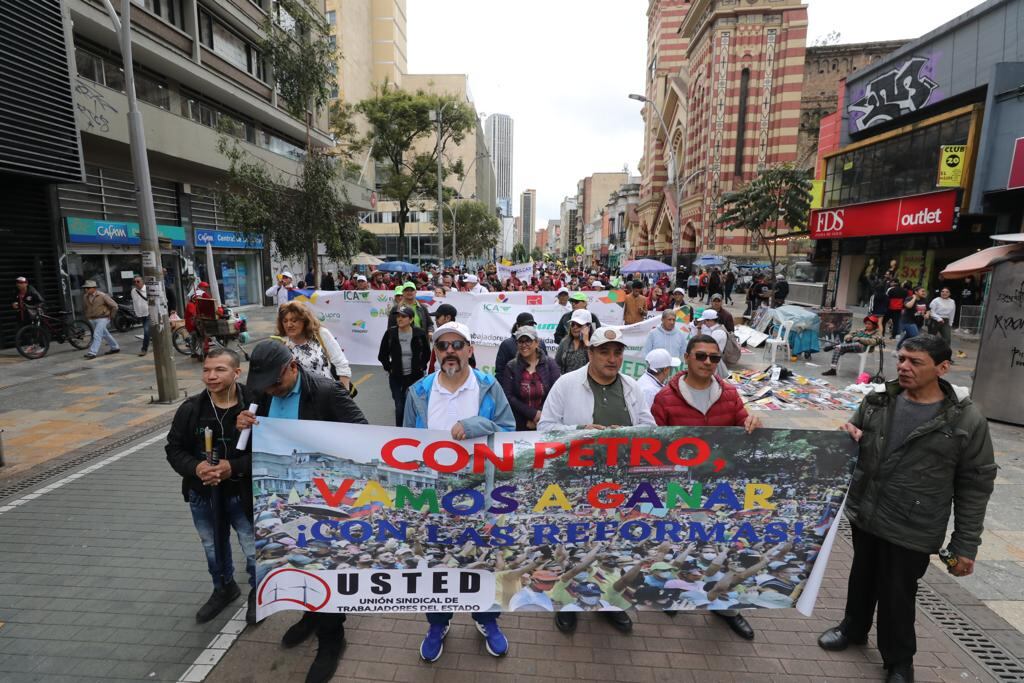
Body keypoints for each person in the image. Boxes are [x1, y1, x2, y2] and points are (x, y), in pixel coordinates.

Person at [817, 335, 995, 683]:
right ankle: (853, 628)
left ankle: (899, 660)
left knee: (897, 592)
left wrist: (965, 545)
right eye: (902, 359)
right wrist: (848, 433)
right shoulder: (879, 400)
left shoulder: (966, 419)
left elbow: (975, 485)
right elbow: (854, 431)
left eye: (916, 362)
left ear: (942, 368)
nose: (904, 367)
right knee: (862, 575)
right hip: (867, 509)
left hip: (914, 522)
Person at [236, 340, 367, 683]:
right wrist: (244, 424)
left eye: (276, 385)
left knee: (322, 564)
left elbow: (365, 436)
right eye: (266, 387)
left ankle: (332, 637)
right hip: (279, 500)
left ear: (292, 366)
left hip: (322, 501)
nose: (272, 392)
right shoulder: (264, 394)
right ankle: (311, 616)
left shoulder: (325, 393)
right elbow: (257, 441)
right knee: (294, 562)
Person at [403, 321, 514, 662]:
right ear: (435, 353)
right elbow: (406, 443)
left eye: (457, 344)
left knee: (482, 560)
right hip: (435, 497)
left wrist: (474, 426)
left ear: (469, 350)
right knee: (436, 563)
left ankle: (486, 619)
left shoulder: (487, 385)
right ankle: (438, 622)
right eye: (442, 345)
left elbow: (509, 430)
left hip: (481, 492)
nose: (449, 351)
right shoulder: (418, 392)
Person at [538, 325, 655, 635]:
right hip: (575, 484)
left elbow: (649, 429)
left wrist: (629, 435)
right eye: (604, 351)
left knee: (613, 545)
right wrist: (579, 431)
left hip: (619, 485)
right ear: (590, 353)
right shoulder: (566, 384)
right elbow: (545, 428)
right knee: (575, 543)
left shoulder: (632, 387)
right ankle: (569, 605)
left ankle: (608, 603)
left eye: (617, 352)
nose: (612, 358)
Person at [650, 333, 762, 636]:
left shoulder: (728, 393)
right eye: (701, 356)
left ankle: (726, 607)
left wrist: (752, 420)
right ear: (687, 358)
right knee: (677, 540)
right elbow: (655, 445)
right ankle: (674, 591)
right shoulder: (665, 398)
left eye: (714, 358)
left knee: (721, 543)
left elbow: (743, 420)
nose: (708, 362)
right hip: (680, 486)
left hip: (719, 486)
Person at [165, 349, 256, 625]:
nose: (211, 376)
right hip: (203, 494)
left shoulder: (254, 406)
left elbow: (271, 451)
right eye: (206, 370)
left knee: (253, 547)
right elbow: (174, 449)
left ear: (236, 373)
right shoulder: (191, 408)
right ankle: (223, 587)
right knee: (212, 546)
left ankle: (259, 592)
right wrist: (197, 468)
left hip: (243, 494)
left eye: (219, 370)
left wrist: (234, 467)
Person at [277, 301, 352, 391]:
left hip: (327, 394)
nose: (289, 325)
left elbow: (342, 365)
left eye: (294, 320)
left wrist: (344, 396)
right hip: (298, 399)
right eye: (285, 321)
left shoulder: (320, 334)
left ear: (304, 320)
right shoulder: (281, 342)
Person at [500, 325, 561, 430]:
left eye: (528, 341)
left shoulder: (550, 364)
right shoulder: (511, 366)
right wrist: (532, 414)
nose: (524, 345)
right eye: (520, 341)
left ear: (537, 342)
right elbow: (508, 396)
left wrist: (540, 416)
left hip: (548, 422)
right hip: (519, 424)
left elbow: (556, 392)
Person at [378, 305, 429, 426]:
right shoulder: (390, 333)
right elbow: (382, 355)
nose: (399, 319)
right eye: (398, 316)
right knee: (400, 407)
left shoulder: (419, 333)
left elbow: (427, 353)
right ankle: (400, 433)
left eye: (403, 316)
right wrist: (389, 368)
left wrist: (421, 367)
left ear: (411, 320)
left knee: (415, 406)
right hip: (396, 377)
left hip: (415, 377)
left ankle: (415, 432)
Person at [496, 312, 548, 381]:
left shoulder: (540, 343)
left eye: (531, 325)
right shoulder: (506, 344)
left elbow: (546, 367)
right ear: (518, 326)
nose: (528, 328)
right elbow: (500, 372)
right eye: (525, 325)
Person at [82, 280, 120, 359]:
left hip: (103, 318)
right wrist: (87, 316)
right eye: (85, 288)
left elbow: (115, 306)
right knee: (105, 334)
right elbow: (85, 308)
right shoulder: (85, 296)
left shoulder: (102, 296)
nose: (86, 289)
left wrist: (111, 316)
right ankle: (115, 347)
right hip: (92, 319)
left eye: (88, 288)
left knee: (97, 334)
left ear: (94, 288)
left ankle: (92, 352)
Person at [555, 309, 593, 374]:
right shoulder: (564, 342)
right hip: (567, 381)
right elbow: (557, 365)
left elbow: (596, 364)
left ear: (588, 326)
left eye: (579, 325)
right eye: (572, 324)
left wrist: (586, 342)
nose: (575, 327)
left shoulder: (594, 343)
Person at [696, 309, 729, 379]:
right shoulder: (715, 329)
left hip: (714, 361)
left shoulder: (717, 332)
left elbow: (708, 348)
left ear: (710, 320)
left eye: (704, 321)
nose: (703, 323)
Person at [130, 276, 151, 356]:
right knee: (149, 331)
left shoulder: (148, 289)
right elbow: (135, 303)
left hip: (149, 313)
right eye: (134, 282)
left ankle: (144, 349)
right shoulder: (133, 291)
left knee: (146, 331)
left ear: (142, 282)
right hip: (140, 314)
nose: (136, 283)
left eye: (138, 281)